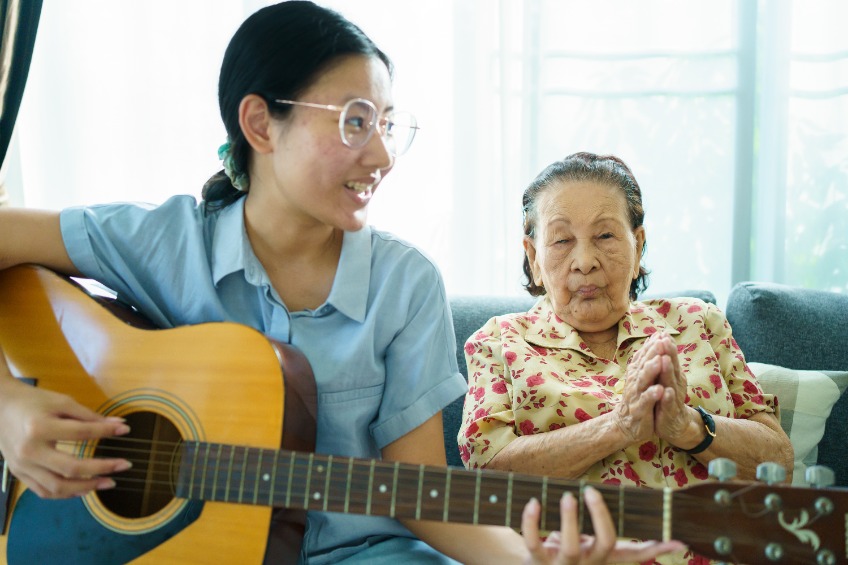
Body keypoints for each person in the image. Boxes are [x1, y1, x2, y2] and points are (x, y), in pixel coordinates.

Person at [0, 4, 682, 564]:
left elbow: (421, 493)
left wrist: (533, 562)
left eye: (386, 125)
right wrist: (6, 408)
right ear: (261, 124)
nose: (382, 154)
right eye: (357, 121)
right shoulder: (165, 240)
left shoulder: (405, 281)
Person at [457, 152, 794, 563]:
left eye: (605, 236)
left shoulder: (698, 322)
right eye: (562, 240)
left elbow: (778, 462)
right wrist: (618, 427)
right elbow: (486, 483)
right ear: (534, 258)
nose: (585, 262)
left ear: (639, 245)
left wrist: (686, 425)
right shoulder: (499, 342)